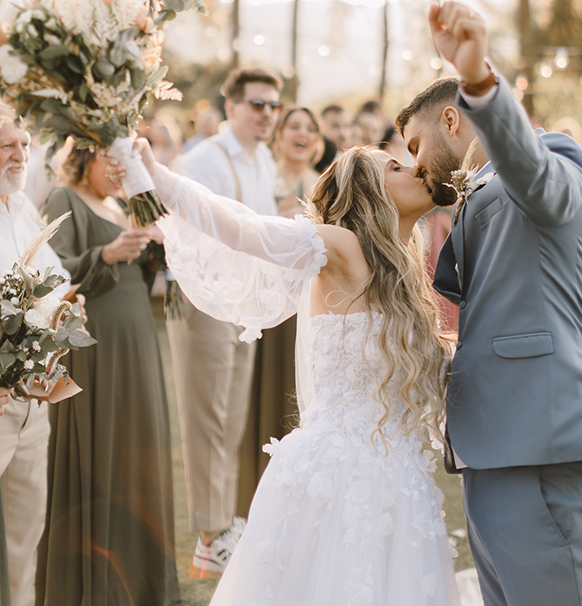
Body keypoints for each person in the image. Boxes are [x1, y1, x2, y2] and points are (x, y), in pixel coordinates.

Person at [115, 134, 460, 606]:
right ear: (369, 195)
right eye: (395, 168)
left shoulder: (403, 271)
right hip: (339, 478)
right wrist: (158, 176)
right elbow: (243, 229)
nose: (414, 169)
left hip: (402, 480)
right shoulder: (340, 246)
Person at [396, 0, 582, 606]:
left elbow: (532, 174)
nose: (416, 166)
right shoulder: (479, 194)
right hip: (495, 451)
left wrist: (480, 84)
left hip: (541, 447)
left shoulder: (553, 162)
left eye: (415, 146)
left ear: (452, 119)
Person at [36, 147, 180, 606]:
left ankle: (140, 576)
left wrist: (155, 245)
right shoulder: (63, 198)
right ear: (82, 155)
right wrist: (108, 252)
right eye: (110, 159)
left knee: (137, 449)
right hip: (97, 343)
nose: (120, 170)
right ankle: (94, 584)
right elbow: (48, 275)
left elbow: (142, 271)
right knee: (102, 450)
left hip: (137, 340)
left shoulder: (121, 204)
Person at [169, 67, 282, 576]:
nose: (267, 114)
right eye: (257, 104)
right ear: (231, 105)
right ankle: (209, 534)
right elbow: (185, 230)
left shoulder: (263, 159)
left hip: (244, 302)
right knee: (207, 415)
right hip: (206, 299)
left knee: (233, 415)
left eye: (273, 105)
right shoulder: (202, 160)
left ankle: (220, 526)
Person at [0, 107, 71, 606]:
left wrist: (68, 305)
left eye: (23, 144)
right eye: (6, 145)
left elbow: (57, 281)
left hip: (30, 398)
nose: (18, 155)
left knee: (25, 533)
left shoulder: (23, 209)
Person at [237, 107, 321, 515]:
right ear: (281, 136)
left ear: (317, 141)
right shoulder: (262, 178)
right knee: (259, 398)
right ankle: (251, 497)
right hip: (265, 304)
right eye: (294, 127)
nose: (301, 134)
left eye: (309, 129)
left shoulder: (322, 187)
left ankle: (294, 503)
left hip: (305, 306)